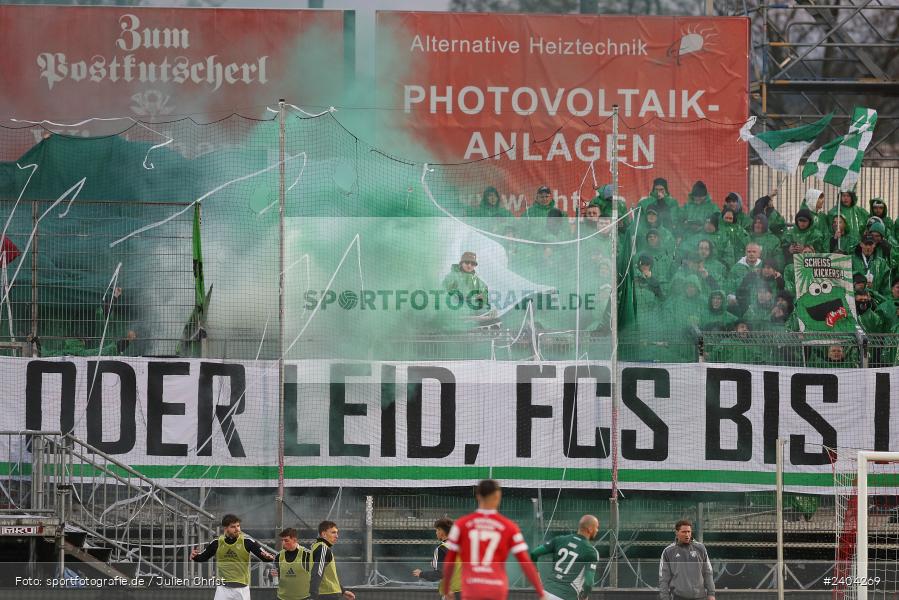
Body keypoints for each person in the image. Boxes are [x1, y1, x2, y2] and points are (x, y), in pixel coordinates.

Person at [443, 479, 546, 600]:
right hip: (496, 589)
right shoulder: (510, 527)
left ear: (478, 496)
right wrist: (540, 592)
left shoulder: (461, 525)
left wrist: (446, 587)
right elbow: (525, 562)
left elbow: (450, 559)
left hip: (471, 588)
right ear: (498, 496)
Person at [190, 514, 275, 600]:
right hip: (222, 589)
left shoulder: (247, 541)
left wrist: (269, 558)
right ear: (225, 528)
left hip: (242, 590)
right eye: (233, 527)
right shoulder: (217, 542)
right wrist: (194, 556)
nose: (237, 529)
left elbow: (265, 557)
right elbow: (201, 558)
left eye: (238, 526)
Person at [530, 515, 600, 600]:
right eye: (596, 527)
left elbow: (534, 553)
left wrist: (537, 577)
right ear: (590, 529)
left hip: (546, 593)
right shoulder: (591, 551)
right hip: (567, 595)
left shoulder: (560, 540)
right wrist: (584, 596)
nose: (597, 530)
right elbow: (589, 583)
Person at [658, 520, 715, 600]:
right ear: (676, 533)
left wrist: (711, 594)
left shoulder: (700, 548)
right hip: (678, 597)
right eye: (684, 532)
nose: (687, 534)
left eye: (689, 532)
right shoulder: (668, 551)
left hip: (700, 597)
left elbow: (708, 572)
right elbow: (663, 578)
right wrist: (664, 597)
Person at [412, 517, 461, 600]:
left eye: (437, 530)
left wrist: (421, 574)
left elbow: (439, 574)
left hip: (451, 593)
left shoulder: (441, 549)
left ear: (441, 531)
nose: (436, 533)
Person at [309, 521, 355, 600]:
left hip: (327, 594)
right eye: (333, 532)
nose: (337, 536)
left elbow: (328, 576)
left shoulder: (317, 547)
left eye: (337, 533)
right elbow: (317, 573)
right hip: (327, 595)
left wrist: (343, 591)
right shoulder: (323, 549)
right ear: (324, 534)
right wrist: (313, 597)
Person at [273, 528, 312, 600]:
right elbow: (275, 577)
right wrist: (271, 575)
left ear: (294, 540)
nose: (283, 543)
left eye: (286, 540)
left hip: (303, 598)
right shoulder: (279, 556)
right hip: (282, 598)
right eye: (282, 540)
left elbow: (317, 576)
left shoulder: (307, 555)